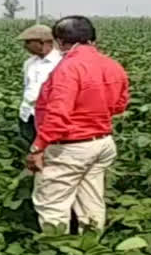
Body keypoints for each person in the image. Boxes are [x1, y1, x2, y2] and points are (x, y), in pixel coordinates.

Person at [25, 16, 129, 233]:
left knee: (52, 202)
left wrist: (38, 147)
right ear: (92, 38)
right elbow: (119, 105)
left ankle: (56, 252)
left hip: (71, 146)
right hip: (102, 143)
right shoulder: (112, 65)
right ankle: (90, 251)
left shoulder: (68, 68)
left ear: (60, 42)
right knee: (91, 199)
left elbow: (58, 114)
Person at [17, 24, 62, 146]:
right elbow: (27, 86)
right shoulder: (29, 63)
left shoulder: (61, 62)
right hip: (28, 114)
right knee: (29, 147)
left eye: (28, 42)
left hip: (48, 115)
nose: (25, 46)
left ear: (42, 42)